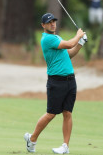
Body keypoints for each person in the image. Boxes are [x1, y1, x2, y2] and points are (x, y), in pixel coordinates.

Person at [24, 13, 86, 154]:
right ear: (43, 25)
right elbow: (70, 43)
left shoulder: (57, 37)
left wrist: (80, 43)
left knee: (67, 113)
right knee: (51, 114)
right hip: (56, 82)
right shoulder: (47, 39)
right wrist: (78, 35)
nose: (53, 24)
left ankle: (65, 146)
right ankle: (32, 140)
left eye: (54, 21)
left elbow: (68, 54)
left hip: (70, 80)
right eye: (49, 22)